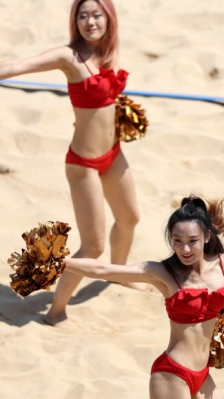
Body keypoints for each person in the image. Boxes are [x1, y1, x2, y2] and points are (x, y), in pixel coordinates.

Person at [0, 0, 144, 328]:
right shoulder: (69, 57)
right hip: (84, 165)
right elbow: (17, 66)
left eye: (96, 15)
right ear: (74, 21)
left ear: (108, 19)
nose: (90, 21)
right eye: (82, 16)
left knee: (129, 218)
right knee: (92, 245)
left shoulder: (109, 51)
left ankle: (118, 275)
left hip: (114, 154)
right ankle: (55, 311)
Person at [61, 195, 224, 399]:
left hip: (203, 374)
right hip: (173, 375)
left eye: (192, 241)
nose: (185, 249)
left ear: (207, 236)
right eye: (177, 241)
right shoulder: (163, 273)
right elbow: (102, 270)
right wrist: (59, 262)